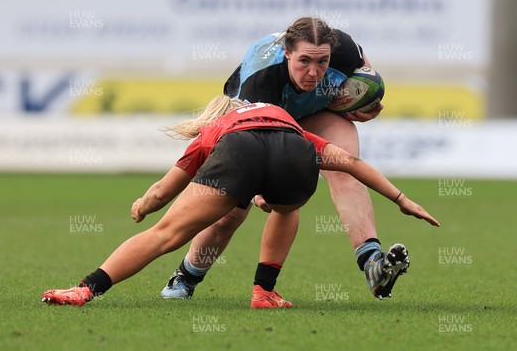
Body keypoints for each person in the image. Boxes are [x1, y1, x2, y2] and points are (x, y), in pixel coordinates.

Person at [41, 97, 439, 308]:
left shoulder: (220, 127)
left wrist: (144, 203)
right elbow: (350, 163)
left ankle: (87, 289)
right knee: (286, 208)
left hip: (240, 151)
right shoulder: (285, 118)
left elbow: (165, 190)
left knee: (166, 235)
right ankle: (264, 292)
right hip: (293, 151)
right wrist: (402, 199)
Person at [159, 17, 406, 305]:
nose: (314, 73)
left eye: (322, 62)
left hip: (308, 117)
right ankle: (186, 276)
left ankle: (372, 262)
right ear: (288, 54)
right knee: (229, 215)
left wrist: (364, 102)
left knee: (346, 168)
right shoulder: (260, 81)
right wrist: (262, 188)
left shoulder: (345, 49)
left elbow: (365, 71)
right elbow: (260, 147)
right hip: (253, 124)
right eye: (304, 62)